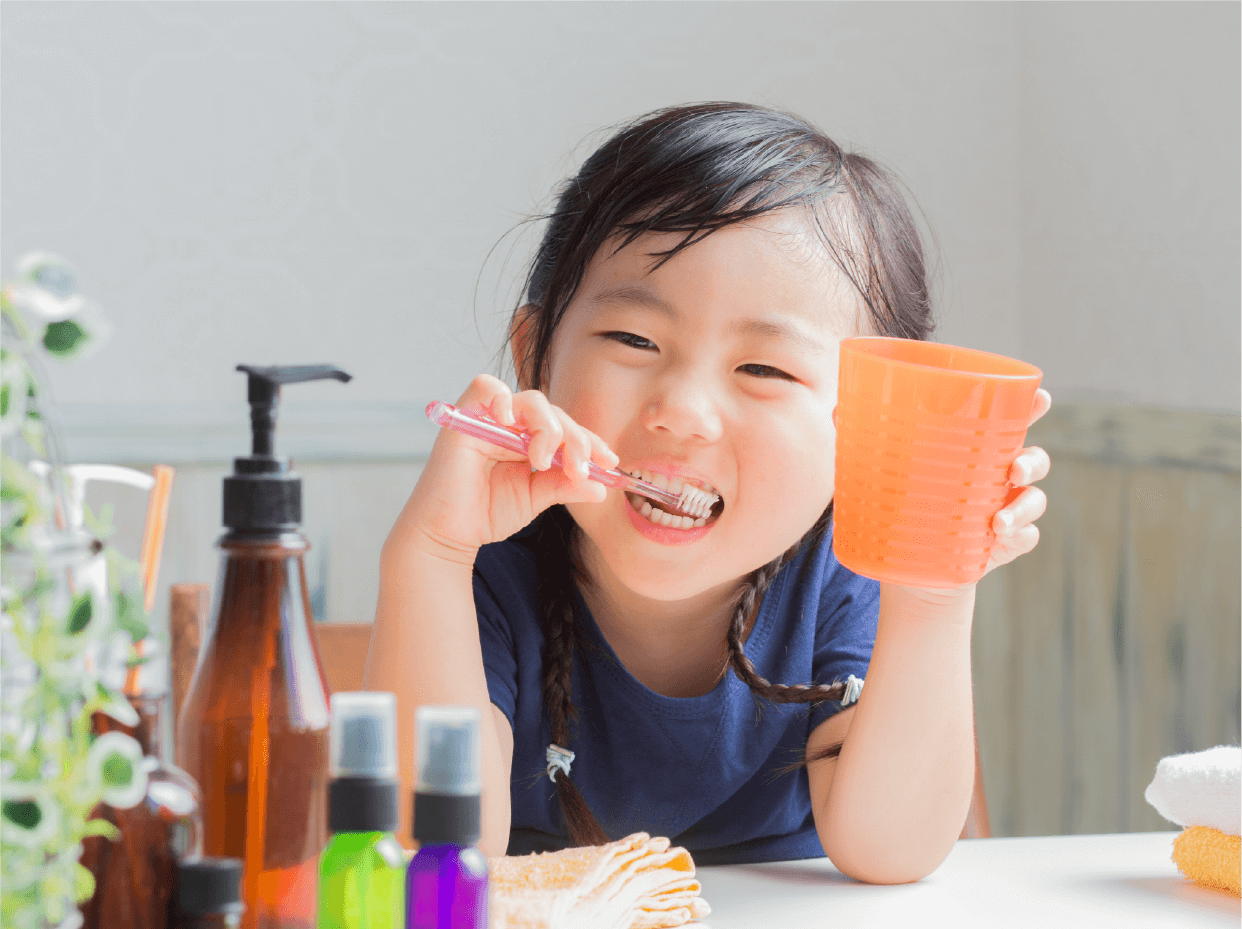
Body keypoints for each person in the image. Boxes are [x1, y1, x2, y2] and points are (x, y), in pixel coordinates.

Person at [365, 102, 1052, 883]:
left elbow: (889, 850)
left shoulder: (844, 570)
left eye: (763, 369)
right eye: (634, 341)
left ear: (870, 424)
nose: (683, 413)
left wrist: (933, 593)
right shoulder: (489, 570)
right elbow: (425, 860)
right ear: (535, 358)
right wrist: (428, 555)